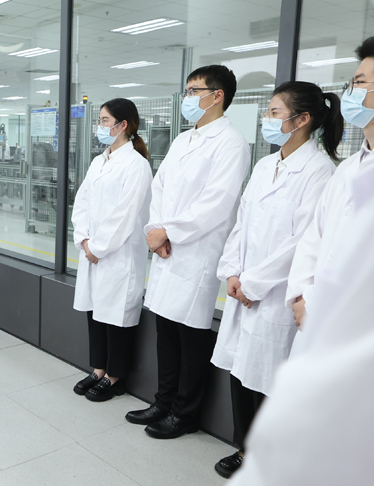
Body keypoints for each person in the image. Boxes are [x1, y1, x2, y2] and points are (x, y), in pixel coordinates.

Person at [209, 82, 341, 479]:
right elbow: (242, 222)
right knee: (241, 373)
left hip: (275, 295)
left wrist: (253, 282)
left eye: (274, 112)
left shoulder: (320, 171)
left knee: (267, 381)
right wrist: (233, 272)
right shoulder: (266, 165)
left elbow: (300, 242)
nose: (267, 119)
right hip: (244, 289)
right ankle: (244, 448)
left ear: (302, 120)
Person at [126, 65, 251, 439]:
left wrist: (169, 232)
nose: (187, 98)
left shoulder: (232, 144)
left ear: (217, 96)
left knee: (190, 335)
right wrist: (156, 231)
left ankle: (185, 413)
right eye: (187, 91)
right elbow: (160, 187)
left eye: (194, 91)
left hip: (197, 252)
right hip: (167, 249)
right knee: (166, 330)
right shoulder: (183, 140)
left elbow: (217, 203)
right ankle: (163, 402)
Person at [285, 37, 374, 355]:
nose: (351, 91)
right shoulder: (347, 169)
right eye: (353, 83)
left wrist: (316, 302)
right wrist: (302, 295)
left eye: (360, 83)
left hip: (354, 333)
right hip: (313, 320)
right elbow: (314, 238)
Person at [71, 99, 152, 402]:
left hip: (118, 255)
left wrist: (98, 247)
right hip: (93, 251)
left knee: (116, 317)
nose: (100, 126)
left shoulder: (137, 165)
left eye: (104, 120)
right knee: (95, 312)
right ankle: (99, 369)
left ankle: (115, 377)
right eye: (100, 120)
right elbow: (82, 202)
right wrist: (84, 240)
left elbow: (126, 215)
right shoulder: (98, 161)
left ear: (123, 125)